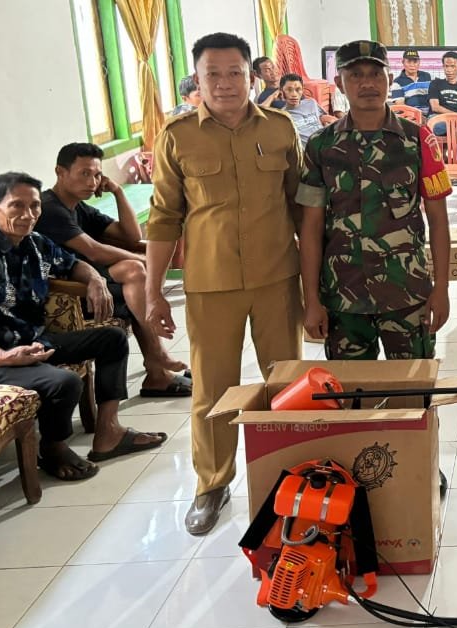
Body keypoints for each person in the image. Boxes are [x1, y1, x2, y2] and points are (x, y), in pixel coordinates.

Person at [146, 33, 304, 536]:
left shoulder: (279, 129)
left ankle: (291, 474)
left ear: (251, 76)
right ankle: (212, 483)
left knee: (285, 383)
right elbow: (164, 218)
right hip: (210, 284)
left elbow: (302, 205)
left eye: (235, 72)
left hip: (277, 276)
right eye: (213, 73)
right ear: (198, 79)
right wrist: (152, 291)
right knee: (213, 388)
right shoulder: (177, 136)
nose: (225, 83)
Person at [299, 39, 455, 495]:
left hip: (407, 292)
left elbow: (439, 219)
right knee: (349, 396)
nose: (367, 84)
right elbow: (309, 229)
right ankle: (359, 473)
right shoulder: (321, 146)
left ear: (389, 79)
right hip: (342, 296)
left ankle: (422, 465)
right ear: (340, 84)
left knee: (414, 392)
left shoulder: (416, 138)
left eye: (375, 74)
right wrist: (311, 300)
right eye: (356, 75)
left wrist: (441, 287)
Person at [0, 172, 167, 482]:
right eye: (16, 205)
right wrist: (1, 357)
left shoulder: (35, 243)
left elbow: (72, 263)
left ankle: (109, 433)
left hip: (35, 341)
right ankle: (53, 447)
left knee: (112, 338)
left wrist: (95, 279)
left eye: (34, 206)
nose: (28, 215)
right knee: (65, 383)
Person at [35, 143, 192, 397]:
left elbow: (130, 235)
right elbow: (95, 251)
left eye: (97, 175)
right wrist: (141, 260)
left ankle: (157, 372)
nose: (92, 181)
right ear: (60, 172)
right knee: (134, 268)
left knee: (140, 268)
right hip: (68, 295)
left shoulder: (79, 206)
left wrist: (118, 192)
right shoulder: (50, 208)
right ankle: (158, 362)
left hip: (93, 283)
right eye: (84, 173)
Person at [278, 73, 330, 143]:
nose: (294, 94)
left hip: (326, 142)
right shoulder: (282, 116)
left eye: (298, 90)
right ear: (281, 91)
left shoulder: (311, 103)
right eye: (289, 90)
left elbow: (324, 118)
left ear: (302, 90)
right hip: (309, 151)